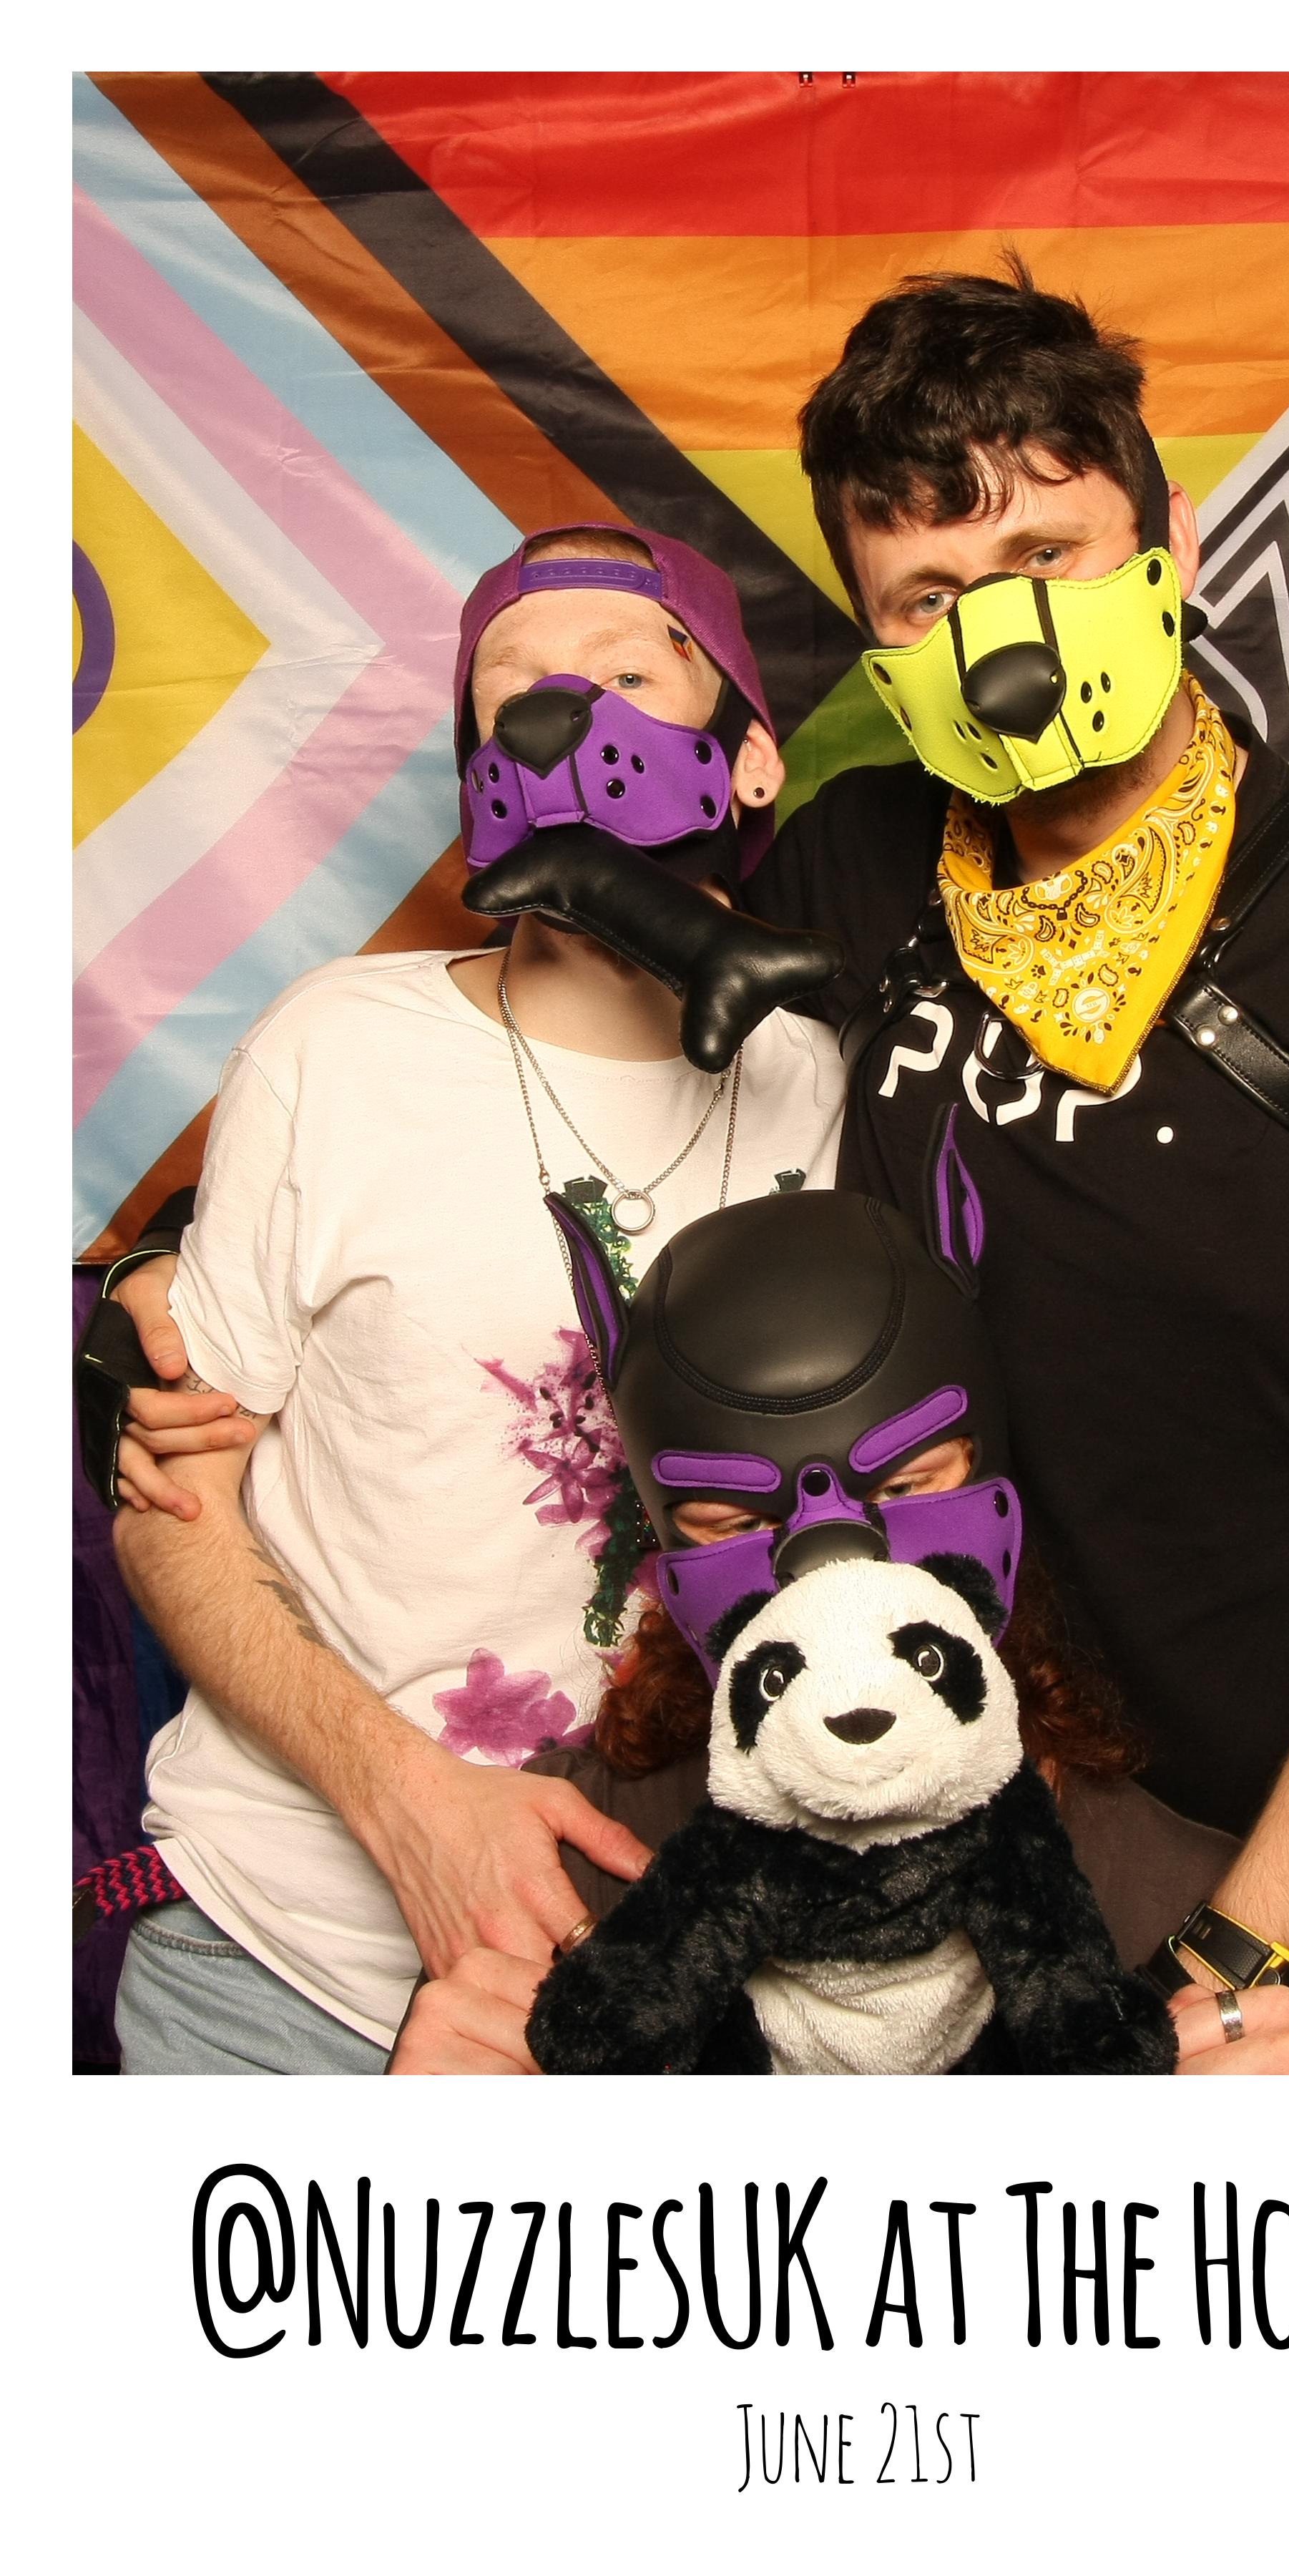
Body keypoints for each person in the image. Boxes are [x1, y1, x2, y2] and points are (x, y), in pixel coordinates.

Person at [740, 261, 1289, 2072]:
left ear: (1172, 543)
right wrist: (181, 1262)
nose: (999, 635)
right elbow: (556, 1100)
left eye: (1044, 555)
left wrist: (1224, 1971)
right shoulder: (854, 865)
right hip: (926, 1886)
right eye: (928, 597)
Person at [102, 522, 846, 2073]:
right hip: (285, 1964)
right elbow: (170, 1505)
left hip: (678, 1987)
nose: (560, 716)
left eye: (626, 676)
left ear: (751, 759)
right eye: (512, 691)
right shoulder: (336, 1050)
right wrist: (407, 1807)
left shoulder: (825, 1085)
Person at [390, 1176, 1289, 2075]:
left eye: (903, 1487)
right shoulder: (559, 1876)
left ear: (991, 1478)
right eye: (740, 1523)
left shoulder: (1189, 1910)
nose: (835, 1574)